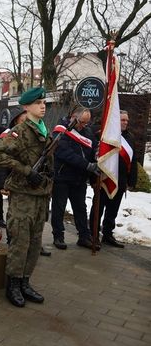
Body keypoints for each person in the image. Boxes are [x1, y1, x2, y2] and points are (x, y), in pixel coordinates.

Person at [0, 87, 51, 307]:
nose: (42, 106)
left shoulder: (46, 131)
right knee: (20, 242)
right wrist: (26, 170)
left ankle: (26, 283)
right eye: (38, 103)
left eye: (44, 102)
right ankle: (13, 285)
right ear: (26, 107)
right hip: (23, 196)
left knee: (35, 243)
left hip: (41, 196)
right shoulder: (18, 131)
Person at [51, 107, 98, 250]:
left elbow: (93, 147)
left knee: (80, 208)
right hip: (62, 176)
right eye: (82, 122)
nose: (84, 126)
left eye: (87, 123)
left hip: (80, 178)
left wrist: (96, 156)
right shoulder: (61, 131)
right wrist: (87, 165)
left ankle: (84, 236)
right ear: (73, 117)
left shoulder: (88, 132)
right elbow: (65, 153)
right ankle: (58, 236)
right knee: (59, 208)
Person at [90, 110, 138, 248]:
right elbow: (96, 158)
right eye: (122, 120)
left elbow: (133, 161)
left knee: (113, 210)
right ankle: (93, 234)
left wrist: (132, 181)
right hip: (104, 179)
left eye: (127, 120)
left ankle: (107, 234)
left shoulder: (130, 138)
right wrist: (94, 179)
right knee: (99, 208)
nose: (125, 123)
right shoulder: (103, 135)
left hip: (121, 180)